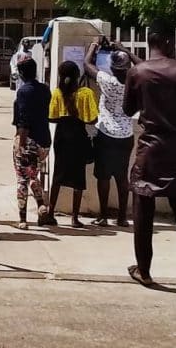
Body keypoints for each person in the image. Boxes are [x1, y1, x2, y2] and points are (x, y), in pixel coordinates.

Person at [123, 20, 176, 307]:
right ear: (171, 42)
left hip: (150, 152)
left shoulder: (138, 72)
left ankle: (144, 270)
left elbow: (128, 109)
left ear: (149, 43)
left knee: (143, 212)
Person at [84, 41, 140, 227]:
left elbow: (87, 65)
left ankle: (103, 215)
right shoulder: (134, 84)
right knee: (121, 176)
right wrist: (126, 51)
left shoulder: (107, 81)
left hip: (106, 134)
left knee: (103, 176)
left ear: (113, 68)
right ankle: (122, 217)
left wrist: (93, 45)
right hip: (126, 135)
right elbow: (144, 66)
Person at [46, 61, 98, 228]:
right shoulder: (85, 93)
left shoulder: (56, 93)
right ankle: (75, 218)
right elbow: (92, 119)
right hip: (78, 136)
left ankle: (50, 212)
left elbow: (51, 117)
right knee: (78, 177)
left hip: (61, 136)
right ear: (77, 75)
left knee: (57, 175)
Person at [12, 57, 52, 230]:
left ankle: (22, 219)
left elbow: (23, 121)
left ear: (21, 73)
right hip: (44, 141)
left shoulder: (23, 92)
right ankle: (42, 204)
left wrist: (20, 143)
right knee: (33, 174)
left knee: (22, 179)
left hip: (28, 140)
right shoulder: (45, 90)